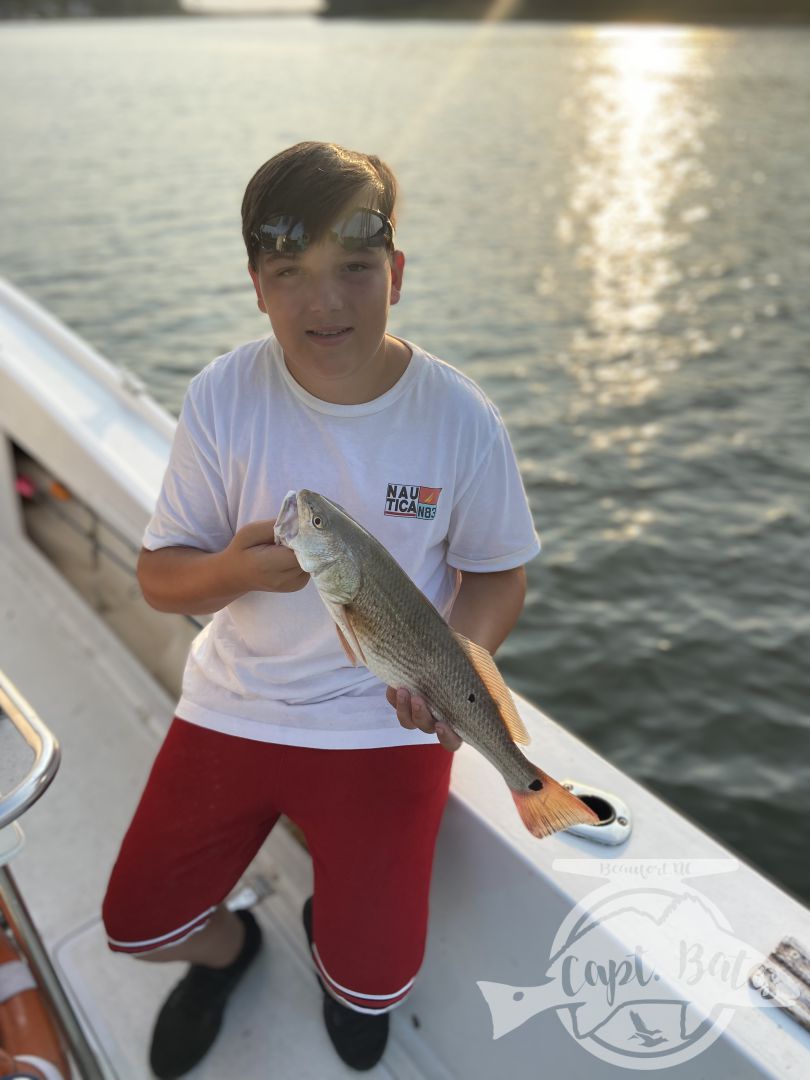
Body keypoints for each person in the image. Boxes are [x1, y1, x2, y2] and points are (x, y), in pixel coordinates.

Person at [101, 141, 541, 1078]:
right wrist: (233, 572)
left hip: (386, 727)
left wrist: (455, 663)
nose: (325, 301)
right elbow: (159, 576)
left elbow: (500, 572)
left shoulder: (460, 418)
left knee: (375, 988)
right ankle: (233, 952)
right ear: (258, 287)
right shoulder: (223, 395)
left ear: (398, 273)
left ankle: (334, 949)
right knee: (136, 928)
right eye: (291, 274)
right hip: (236, 703)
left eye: (354, 268)